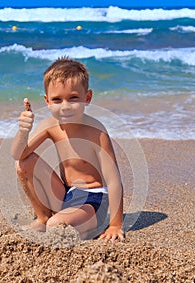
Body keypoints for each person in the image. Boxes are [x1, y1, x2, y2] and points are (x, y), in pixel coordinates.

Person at [11, 57, 124, 242]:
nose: (65, 106)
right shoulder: (50, 126)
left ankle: (81, 225)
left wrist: (115, 224)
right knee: (24, 163)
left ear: (87, 98)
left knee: (56, 226)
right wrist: (24, 131)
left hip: (93, 199)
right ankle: (43, 217)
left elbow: (114, 181)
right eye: (57, 100)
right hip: (67, 193)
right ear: (47, 101)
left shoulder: (96, 133)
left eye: (73, 98)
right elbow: (19, 154)